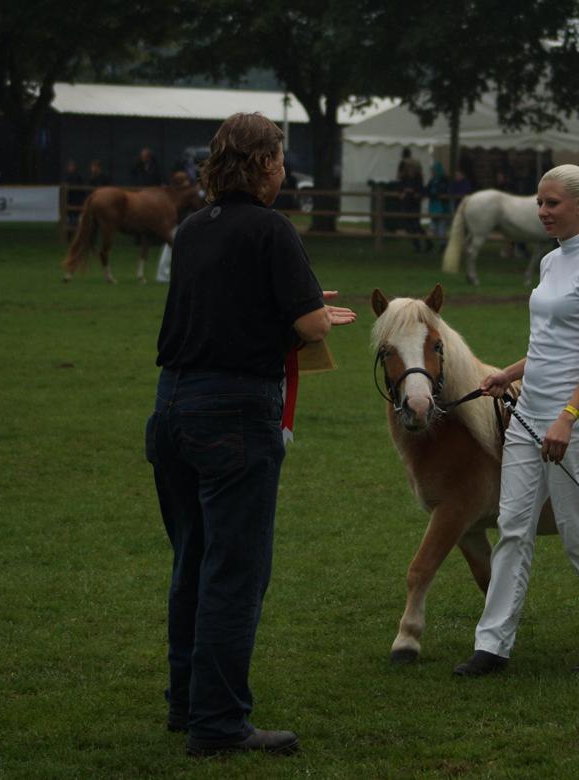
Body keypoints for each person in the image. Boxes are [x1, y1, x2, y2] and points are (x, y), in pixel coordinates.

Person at [146, 112, 357, 757]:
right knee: (235, 572)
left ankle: (187, 702)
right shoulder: (272, 228)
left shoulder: (192, 228)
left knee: (193, 559)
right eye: (280, 159)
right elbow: (312, 326)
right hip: (235, 413)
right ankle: (218, 724)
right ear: (264, 163)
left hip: (172, 407)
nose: (284, 170)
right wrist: (315, 310)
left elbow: (224, 304)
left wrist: (296, 304)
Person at [453, 162, 579, 677]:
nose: (542, 211)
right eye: (539, 201)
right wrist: (504, 375)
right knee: (513, 527)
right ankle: (492, 645)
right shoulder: (552, 263)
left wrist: (568, 419)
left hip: (575, 422)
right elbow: (550, 347)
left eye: (552, 203)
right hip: (528, 414)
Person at [396, 147, 427, 252]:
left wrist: (414, 192)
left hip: (414, 202)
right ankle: (417, 244)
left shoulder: (418, 177)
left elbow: (421, 189)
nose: (410, 168)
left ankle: (424, 242)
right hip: (407, 202)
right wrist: (403, 192)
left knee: (415, 224)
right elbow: (400, 186)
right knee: (408, 224)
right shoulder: (405, 177)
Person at [426, 161, 450, 249]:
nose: (433, 172)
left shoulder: (444, 180)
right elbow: (427, 190)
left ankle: (443, 244)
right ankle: (431, 242)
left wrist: (435, 193)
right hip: (434, 206)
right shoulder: (432, 180)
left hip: (442, 207)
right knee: (433, 226)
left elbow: (443, 191)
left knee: (441, 226)